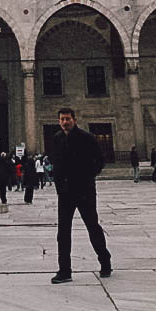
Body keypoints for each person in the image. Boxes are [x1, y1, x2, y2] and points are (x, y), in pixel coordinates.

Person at [49, 107, 111, 284]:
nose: (65, 122)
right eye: (62, 119)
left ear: (74, 120)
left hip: (84, 192)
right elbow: (57, 163)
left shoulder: (87, 138)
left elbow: (99, 161)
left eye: (68, 119)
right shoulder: (57, 138)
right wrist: (59, 185)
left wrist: (86, 177)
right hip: (65, 193)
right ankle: (65, 271)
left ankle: (105, 261)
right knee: (63, 233)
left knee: (92, 227)